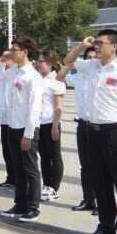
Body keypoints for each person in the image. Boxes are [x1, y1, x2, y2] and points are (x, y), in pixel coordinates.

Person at [63, 29, 117, 234]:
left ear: (114, 46)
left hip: (114, 132)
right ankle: (106, 226)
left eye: (101, 43)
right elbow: (67, 61)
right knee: (100, 181)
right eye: (95, 42)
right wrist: (81, 45)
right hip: (90, 131)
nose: (96, 46)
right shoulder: (90, 67)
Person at [0, 36, 43, 222]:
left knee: (30, 169)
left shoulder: (33, 76)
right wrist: (2, 61)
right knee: (17, 168)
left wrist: (29, 134)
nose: (11, 52)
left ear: (25, 52)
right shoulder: (13, 71)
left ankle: (33, 207)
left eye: (15, 49)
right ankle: (20, 203)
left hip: (27, 128)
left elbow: (34, 107)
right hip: (12, 126)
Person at [58, 46, 99, 214]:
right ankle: (88, 199)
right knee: (85, 166)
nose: (91, 60)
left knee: (100, 167)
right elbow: (60, 77)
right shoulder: (78, 77)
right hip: (83, 125)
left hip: (99, 126)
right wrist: (69, 63)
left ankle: (102, 201)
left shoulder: (100, 76)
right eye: (88, 57)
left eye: (94, 57)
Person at [36, 50, 66, 201]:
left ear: (50, 63)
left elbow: (59, 106)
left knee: (54, 156)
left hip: (51, 123)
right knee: (44, 156)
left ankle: (54, 187)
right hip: (39, 123)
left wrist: (55, 125)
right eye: (38, 61)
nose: (38, 64)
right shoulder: (38, 79)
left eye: (41, 61)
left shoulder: (56, 80)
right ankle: (47, 185)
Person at [0, 50, 16, 188]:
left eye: (9, 56)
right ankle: (11, 178)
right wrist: (0, 61)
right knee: (7, 150)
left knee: (16, 152)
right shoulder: (5, 73)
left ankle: (19, 180)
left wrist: (10, 60)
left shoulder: (17, 72)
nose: (6, 58)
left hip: (16, 120)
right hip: (5, 119)